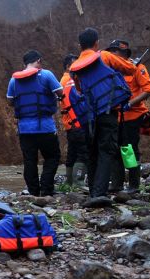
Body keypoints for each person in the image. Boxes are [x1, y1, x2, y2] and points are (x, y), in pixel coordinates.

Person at [68, 28, 136, 198]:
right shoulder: (104, 56)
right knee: (107, 151)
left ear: (79, 45)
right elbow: (130, 69)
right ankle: (99, 193)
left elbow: (79, 89)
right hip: (108, 112)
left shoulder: (75, 68)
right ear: (97, 43)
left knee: (93, 152)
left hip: (90, 117)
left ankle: (93, 190)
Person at [6, 50, 63, 196]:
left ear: (24, 64)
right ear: (38, 61)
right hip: (45, 127)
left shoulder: (14, 81)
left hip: (25, 129)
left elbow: (11, 101)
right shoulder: (46, 75)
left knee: (30, 161)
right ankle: (46, 188)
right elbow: (60, 93)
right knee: (52, 157)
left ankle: (33, 191)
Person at [106, 40, 150, 193]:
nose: (113, 55)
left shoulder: (137, 68)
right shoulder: (111, 71)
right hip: (116, 116)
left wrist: (131, 103)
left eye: (116, 52)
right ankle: (117, 184)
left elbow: (149, 90)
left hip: (133, 116)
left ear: (123, 54)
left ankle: (134, 185)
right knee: (115, 150)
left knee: (129, 149)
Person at [60, 53, 88, 188]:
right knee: (83, 152)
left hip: (69, 124)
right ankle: (78, 182)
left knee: (72, 152)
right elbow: (78, 102)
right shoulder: (71, 81)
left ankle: (69, 182)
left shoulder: (63, 80)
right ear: (68, 66)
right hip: (77, 122)